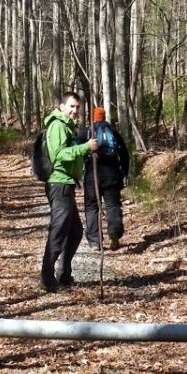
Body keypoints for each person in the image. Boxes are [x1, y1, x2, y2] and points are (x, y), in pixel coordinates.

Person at [40, 92, 98, 292]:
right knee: (58, 231)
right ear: (62, 107)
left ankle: (64, 275)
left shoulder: (67, 127)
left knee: (74, 232)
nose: (75, 111)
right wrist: (85, 148)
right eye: (71, 106)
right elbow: (59, 155)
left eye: (77, 107)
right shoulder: (57, 125)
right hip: (59, 184)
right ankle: (47, 279)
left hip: (67, 183)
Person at [81, 106, 130, 250]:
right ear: (104, 117)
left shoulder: (86, 132)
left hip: (92, 174)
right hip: (112, 173)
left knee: (92, 206)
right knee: (112, 204)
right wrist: (124, 173)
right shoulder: (112, 131)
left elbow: (78, 152)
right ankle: (114, 233)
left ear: (92, 117)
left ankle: (95, 241)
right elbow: (124, 154)